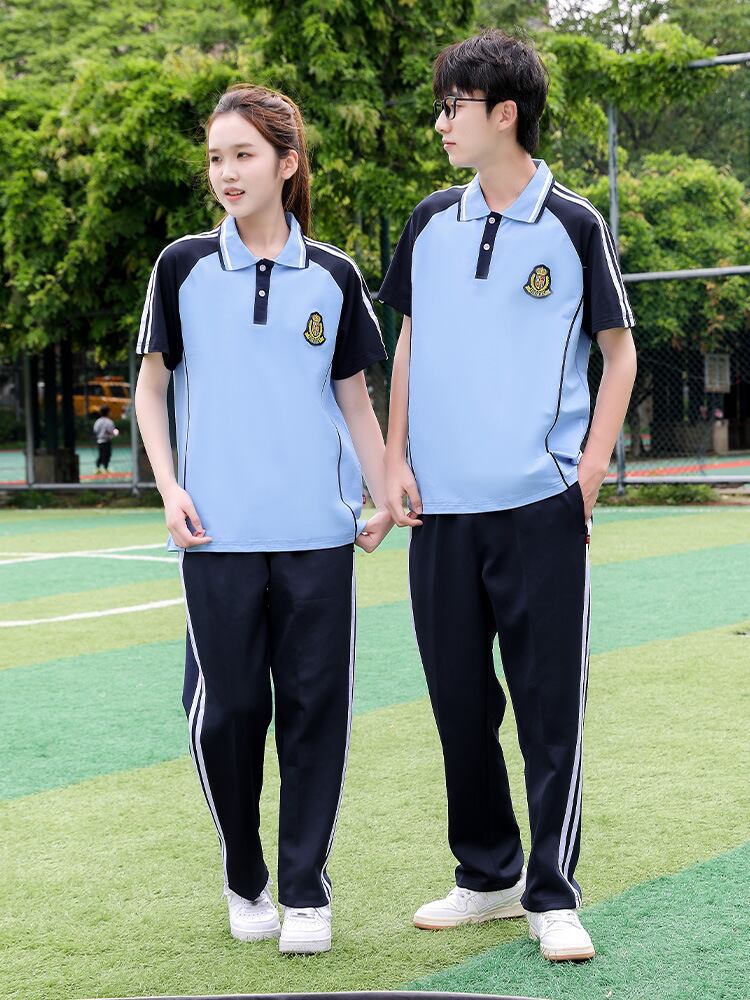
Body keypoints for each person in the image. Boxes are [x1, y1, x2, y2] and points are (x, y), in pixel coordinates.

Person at [379, 30, 637, 962]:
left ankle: (553, 894)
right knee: (459, 703)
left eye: (453, 107)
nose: (441, 123)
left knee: (547, 706)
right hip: (441, 511)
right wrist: (394, 461)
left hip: (540, 509)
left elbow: (619, 352)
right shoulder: (427, 223)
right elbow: (408, 344)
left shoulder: (573, 223)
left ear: (505, 114)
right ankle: (486, 876)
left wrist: (590, 471)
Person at [134, 84, 392, 954]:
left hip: (318, 535)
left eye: (243, 155)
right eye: (216, 158)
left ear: (287, 163)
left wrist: (383, 490)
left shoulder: (336, 276)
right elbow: (152, 387)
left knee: (316, 710)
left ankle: (307, 892)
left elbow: (354, 401)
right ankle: (245, 878)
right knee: (230, 713)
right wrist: (169, 486)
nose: (226, 172)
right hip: (216, 535)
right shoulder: (180, 267)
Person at [92, 405, 117, 473]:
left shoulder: (98, 421)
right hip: (106, 441)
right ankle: (104, 468)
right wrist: (115, 433)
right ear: (108, 412)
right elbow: (112, 431)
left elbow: (95, 431)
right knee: (107, 454)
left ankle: (99, 468)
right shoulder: (109, 421)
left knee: (102, 454)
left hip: (100, 441)